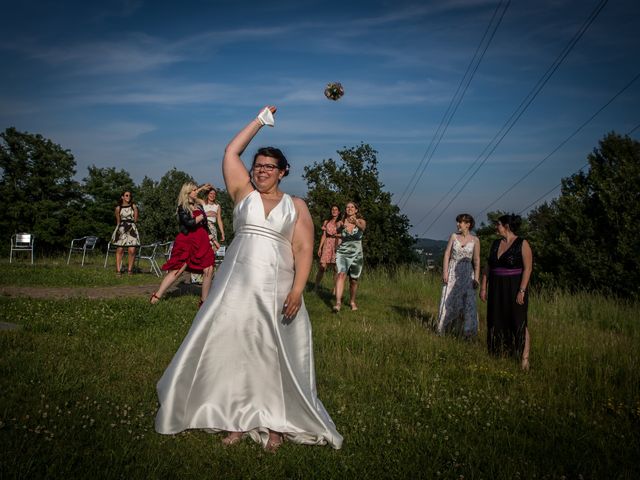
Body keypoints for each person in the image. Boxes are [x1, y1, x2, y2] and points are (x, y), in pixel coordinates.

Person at [155, 106, 343, 452]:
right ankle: (236, 418)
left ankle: (275, 425)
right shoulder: (243, 193)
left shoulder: (296, 205)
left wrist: (299, 289)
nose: (261, 171)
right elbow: (231, 151)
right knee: (234, 348)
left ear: (283, 172)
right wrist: (260, 120)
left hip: (278, 286)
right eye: (258, 166)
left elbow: (303, 249)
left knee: (273, 352)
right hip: (237, 285)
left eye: (269, 167)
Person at [480, 214, 533, 370]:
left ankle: (524, 358)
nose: (496, 227)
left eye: (498, 224)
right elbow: (488, 266)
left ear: (506, 226)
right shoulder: (496, 243)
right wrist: (484, 286)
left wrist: (522, 290)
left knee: (519, 321)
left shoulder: (522, 243)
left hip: (515, 287)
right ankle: (500, 353)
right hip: (496, 287)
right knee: (497, 319)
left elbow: (528, 268)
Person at [150, 183, 215, 307]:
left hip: (202, 240)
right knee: (178, 270)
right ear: (188, 193)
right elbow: (189, 223)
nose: (197, 192)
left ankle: (204, 302)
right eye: (194, 190)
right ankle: (157, 295)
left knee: (209, 268)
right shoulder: (182, 207)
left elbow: (204, 225)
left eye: (197, 190)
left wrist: (211, 237)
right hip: (187, 241)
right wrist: (202, 216)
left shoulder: (199, 205)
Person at [437, 213, 480, 337]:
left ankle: (466, 332)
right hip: (452, 271)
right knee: (449, 300)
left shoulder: (475, 240)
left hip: (467, 273)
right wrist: (445, 271)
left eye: (460, 222)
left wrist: (476, 278)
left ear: (468, 224)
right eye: (458, 222)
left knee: (467, 301)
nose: (457, 224)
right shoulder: (453, 236)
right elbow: (446, 254)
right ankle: (445, 329)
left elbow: (476, 260)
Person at [333, 202, 366, 312]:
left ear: (356, 210)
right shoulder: (341, 222)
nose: (350, 208)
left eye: (352, 207)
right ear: (345, 210)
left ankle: (352, 301)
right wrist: (340, 227)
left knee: (353, 280)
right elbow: (336, 230)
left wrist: (355, 222)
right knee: (341, 274)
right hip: (343, 252)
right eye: (347, 207)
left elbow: (363, 228)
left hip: (357, 253)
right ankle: (338, 303)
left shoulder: (361, 221)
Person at [110, 191, 140, 276]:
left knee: (132, 250)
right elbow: (118, 221)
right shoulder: (118, 208)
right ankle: (118, 270)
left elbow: (136, 219)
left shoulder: (133, 206)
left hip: (131, 228)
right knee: (120, 249)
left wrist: (135, 212)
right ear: (122, 197)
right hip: (122, 229)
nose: (128, 197)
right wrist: (117, 233)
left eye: (130, 195)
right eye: (126, 195)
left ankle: (130, 270)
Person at [315, 205, 341, 291]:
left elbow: (344, 235)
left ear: (339, 212)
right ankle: (316, 286)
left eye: (336, 209)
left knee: (335, 268)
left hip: (336, 244)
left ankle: (335, 289)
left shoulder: (341, 222)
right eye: (332, 209)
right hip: (327, 244)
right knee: (322, 266)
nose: (334, 211)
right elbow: (324, 235)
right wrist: (320, 248)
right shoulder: (326, 222)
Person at [202, 186, 225, 251]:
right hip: (204, 227)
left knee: (213, 248)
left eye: (214, 194)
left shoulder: (217, 206)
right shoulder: (202, 203)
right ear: (207, 194)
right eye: (211, 193)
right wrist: (202, 188)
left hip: (212, 228)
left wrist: (222, 232)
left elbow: (219, 220)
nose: (212, 195)